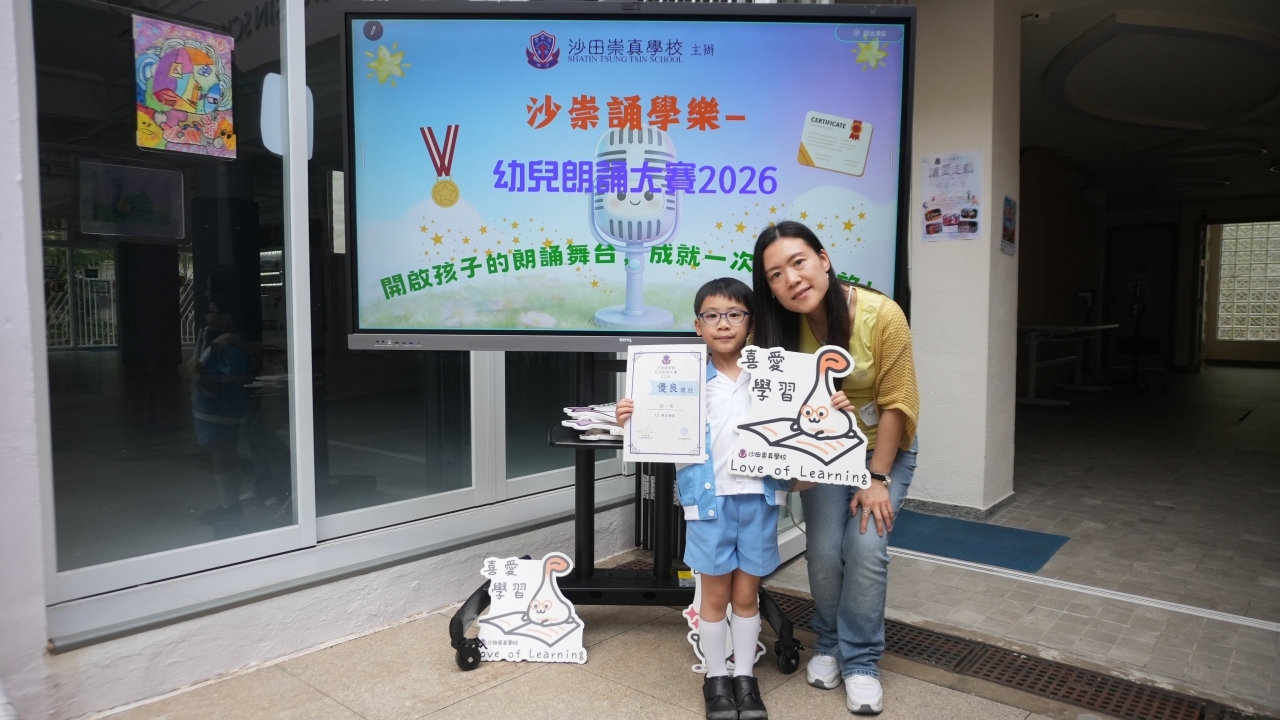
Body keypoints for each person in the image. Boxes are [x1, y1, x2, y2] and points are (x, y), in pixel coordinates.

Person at [751, 221, 920, 715]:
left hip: (881, 451)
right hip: (822, 452)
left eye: (798, 262)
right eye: (775, 275)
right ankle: (828, 642)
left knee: (864, 546)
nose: (791, 280)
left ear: (824, 260)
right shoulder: (776, 330)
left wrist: (877, 478)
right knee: (824, 552)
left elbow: (897, 402)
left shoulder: (882, 315)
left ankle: (862, 661)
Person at [617, 277, 789, 720]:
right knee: (713, 596)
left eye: (734, 314)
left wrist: (829, 410)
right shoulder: (683, 379)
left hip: (760, 499)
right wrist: (632, 419)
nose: (723, 324)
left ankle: (745, 678)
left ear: (751, 323)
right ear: (698, 326)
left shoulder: (772, 378)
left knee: (747, 596)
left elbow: (802, 423)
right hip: (710, 504)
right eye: (712, 316)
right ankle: (716, 679)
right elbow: (653, 428)